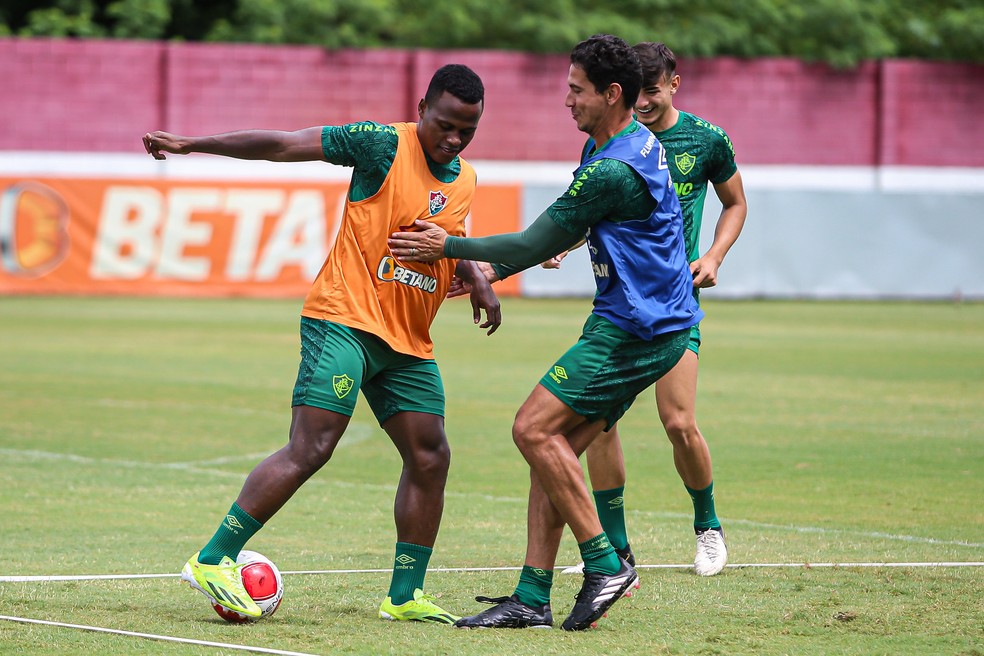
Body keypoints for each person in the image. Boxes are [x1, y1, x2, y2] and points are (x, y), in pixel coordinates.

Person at [142, 64, 501, 624]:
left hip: (407, 339)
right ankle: (213, 558)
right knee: (312, 446)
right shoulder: (381, 144)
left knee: (431, 456)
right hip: (344, 318)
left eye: (467, 130)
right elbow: (284, 145)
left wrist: (476, 275)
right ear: (422, 105)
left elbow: (447, 237)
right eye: (445, 124)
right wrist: (194, 144)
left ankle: (404, 597)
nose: (453, 138)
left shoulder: (466, 178)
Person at [388, 35, 703, 630]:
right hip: (646, 320)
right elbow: (567, 234)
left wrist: (449, 246)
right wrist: (494, 268)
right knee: (552, 449)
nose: (567, 100)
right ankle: (532, 598)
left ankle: (606, 563)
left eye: (576, 89)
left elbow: (538, 239)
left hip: (637, 328)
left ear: (612, 94)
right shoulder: (615, 146)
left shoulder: (612, 166)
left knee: (530, 427)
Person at [553, 41, 747, 578]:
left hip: (673, 303)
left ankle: (708, 529)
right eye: (636, 95)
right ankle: (617, 551)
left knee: (678, 420)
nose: (642, 104)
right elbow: (590, 207)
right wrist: (561, 245)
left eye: (653, 93)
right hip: (618, 303)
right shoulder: (606, 142)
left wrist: (712, 255)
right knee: (597, 422)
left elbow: (735, 202)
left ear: (673, 84)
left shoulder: (706, 140)